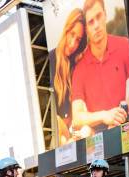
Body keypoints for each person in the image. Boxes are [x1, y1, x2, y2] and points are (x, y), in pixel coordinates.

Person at [71, 0, 129, 135]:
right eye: (91, 22)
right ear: (86, 29)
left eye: (98, 16)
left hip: (125, 125)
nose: (97, 25)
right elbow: (77, 117)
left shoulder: (124, 46)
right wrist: (105, 116)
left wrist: (120, 113)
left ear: (105, 15)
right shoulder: (80, 68)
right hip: (98, 134)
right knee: (85, 132)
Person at [48, 9, 87, 145]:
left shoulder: (76, 65)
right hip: (54, 134)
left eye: (78, 40)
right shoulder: (49, 60)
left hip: (72, 134)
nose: (72, 44)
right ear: (66, 30)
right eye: (72, 35)